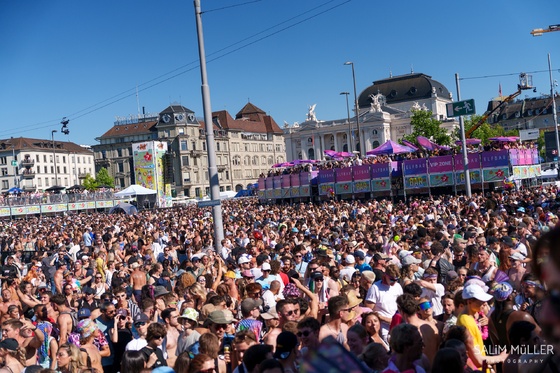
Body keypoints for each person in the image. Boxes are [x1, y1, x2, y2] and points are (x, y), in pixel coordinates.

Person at [457, 284, 507, 370]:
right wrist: (501, 357)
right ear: (469, 302)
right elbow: (478, 360)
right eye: (481, 301)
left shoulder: (467, 318)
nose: (484, 303)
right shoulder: (467, 322)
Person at [365, 264, 403, 343]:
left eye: (397, 279)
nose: (394, 282)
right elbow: (368, 309)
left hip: (398, 325)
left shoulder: (398, 286)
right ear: (385, 275)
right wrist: (383, 318)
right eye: (392, 279)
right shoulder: (375, 287)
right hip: (384, 328)